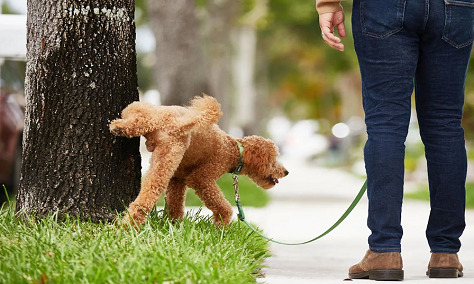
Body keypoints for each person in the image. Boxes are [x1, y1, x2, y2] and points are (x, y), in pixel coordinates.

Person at [316, 0, 470, 280]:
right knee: (445, 125)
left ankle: (384, 249)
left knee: (385, 122)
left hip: (384, 7)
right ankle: (446, 252)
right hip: (455, 7)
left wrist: (327, 4)